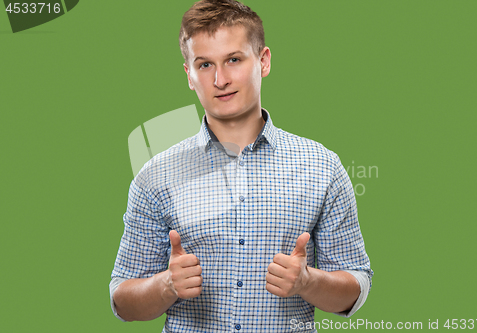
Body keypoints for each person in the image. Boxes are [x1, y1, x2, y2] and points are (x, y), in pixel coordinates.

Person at [110, 0, 373, 331]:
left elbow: (356, 286)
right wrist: (165, 285)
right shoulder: (155, 175)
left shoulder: (323, 166)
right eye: (204, 65)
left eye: (233, 59)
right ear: (189, 75)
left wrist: (308, 282)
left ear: (263, 61)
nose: (220, 79)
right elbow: (122, 299)